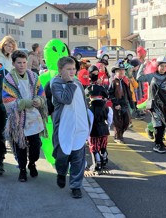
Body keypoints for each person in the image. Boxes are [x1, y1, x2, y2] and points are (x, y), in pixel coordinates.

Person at [2, 50, 47, 182]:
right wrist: (23, 103)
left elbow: (41, 92)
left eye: (24, 62)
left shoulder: (33, 76)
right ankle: (22, 170)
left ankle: (32, 163)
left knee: (35, 145)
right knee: (20, 146)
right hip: (17, 118)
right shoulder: (8, 79)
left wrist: (39, 100)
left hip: (33, 118)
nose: (22, 65)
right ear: (13, 63)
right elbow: (7, 100)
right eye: (19, 62)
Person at [49, 56, 91, 198]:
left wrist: (87, 122)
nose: (72, 72)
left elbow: (83, 104)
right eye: (68, 69)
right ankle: (61, 172)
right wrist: (69, 83)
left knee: (78, 158)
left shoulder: (77, 83)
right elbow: (66, 99)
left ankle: (76, 186)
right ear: (61, 70)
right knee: (62, 156)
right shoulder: (56, 83)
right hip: (64, 128)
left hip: (79, 126)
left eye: (73, 69)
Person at [85, 65, 111, 173]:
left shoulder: (90, 107)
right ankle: (104, 159)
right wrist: (108, 126)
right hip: (104, 128)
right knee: (103, 145)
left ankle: (97, 165)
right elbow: (110, 118)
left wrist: (87, 134)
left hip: (94, 130)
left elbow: (89, 122)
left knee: (94, 147)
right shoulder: (106, 106)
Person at [108, 60, 135, 144]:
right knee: (118, 122)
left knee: (126, 121)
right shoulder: (113, 82)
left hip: (125, 104)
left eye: (123, 70)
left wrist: (132, 104)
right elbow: (110, 94)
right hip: (117, 105)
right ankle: (118, 136)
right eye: (119, 70)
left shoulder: (124, 82)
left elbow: (128, 93)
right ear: (115, 72)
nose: (121, 72)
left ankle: (121, 134)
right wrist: (116, 104)